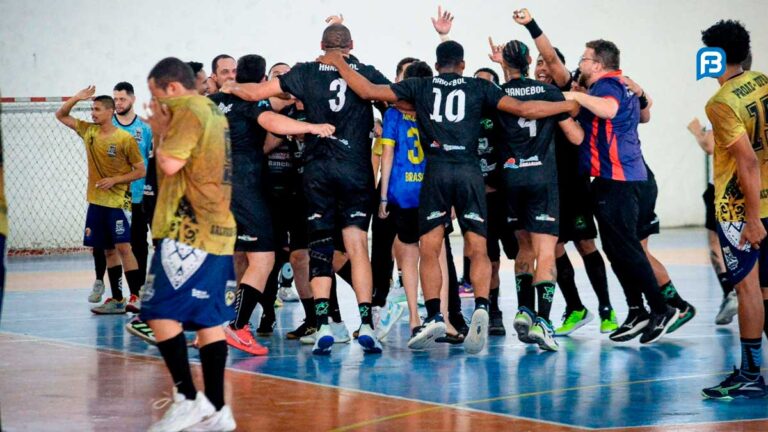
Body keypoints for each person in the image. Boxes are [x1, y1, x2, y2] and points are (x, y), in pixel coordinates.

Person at [316, 37, 579, 354]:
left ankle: (434, 315)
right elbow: (523, 108)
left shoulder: (422, 87)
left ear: (437, 64)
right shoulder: (477, 87)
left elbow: (369, 91)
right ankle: (482, 305)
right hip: (469, 171)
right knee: (477, 245)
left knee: (430, 247)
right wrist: (565, 103)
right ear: (463, 65)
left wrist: (341, 63)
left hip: (437, 173)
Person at [221, 23, 391, 356]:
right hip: (356, 170)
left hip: (318, 171)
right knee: (357, 245)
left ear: (321, 45)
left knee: (321, 247)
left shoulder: (306, 72)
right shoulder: (366, 72)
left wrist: (229, 87)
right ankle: (367, 323)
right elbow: (392, 100)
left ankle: (324, 324)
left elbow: (255, 94)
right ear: (351, 45)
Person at [209, 54, 335, 356]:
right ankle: (236, 327)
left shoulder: (213, 101)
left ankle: (215, 327)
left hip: (217, 187)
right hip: (245, 187)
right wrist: (312, 127)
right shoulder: (252, 104)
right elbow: (270, 119)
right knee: (263, 260)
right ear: (264, 79)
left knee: (240, 255)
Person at [141, 57, 237, 431]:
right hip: (217, 228)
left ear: (173, 88)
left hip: (187, 229)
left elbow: (169, 164)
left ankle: (185, 396)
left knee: (159, 311)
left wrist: (160, 129)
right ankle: (216, 408)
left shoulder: (186, 110)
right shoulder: (213, 110)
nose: (156, 104)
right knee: (207, 320)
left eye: (155, 94)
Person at [565, 39, 680, 344]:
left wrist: (573, 95)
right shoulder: (626, 84)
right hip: (614, 179)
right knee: (616, 250)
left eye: (585, 58)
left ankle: (661, 308)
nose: (582, 63)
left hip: (619, 179)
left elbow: (608, 109)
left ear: (598, 64)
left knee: (628, 248)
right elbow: (645, 115)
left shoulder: (606, 87)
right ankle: (637, 311)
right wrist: (641, 94)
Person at [513, 8, 616, 336]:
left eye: (547, 63)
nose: (543, 68)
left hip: (573, 182)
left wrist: (531, 26)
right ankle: (575, 307)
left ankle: (606, 308)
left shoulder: (563, 89)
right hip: (544, 184)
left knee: (586, 243)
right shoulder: (530, 96)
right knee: (552, 249)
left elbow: (554, 63)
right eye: (539, 64)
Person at [487, 38, 583, 351]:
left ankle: (524, 310)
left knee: (523, 249)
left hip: (510, 180)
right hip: (542, 178)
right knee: (546, 251)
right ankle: (542, 321)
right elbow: (575, 136)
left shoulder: (497, 94)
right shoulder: (549, 92)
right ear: (530, 60)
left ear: (505, 63)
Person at [700, 20, 768, 400]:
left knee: (747, 288)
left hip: (742, 209)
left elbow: (746, 162)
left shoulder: (722, 102)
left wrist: (753, 218)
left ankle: (751, 374)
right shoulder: (762, 81)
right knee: (765, 289)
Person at [55, 87, 146, 315]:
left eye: (96, 109)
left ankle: (137, 295)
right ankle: (116, 298)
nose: (92, 113)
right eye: (91, 109)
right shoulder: (89, 131)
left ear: (110, 111)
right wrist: (76, 97)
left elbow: (140, 170)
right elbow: (61, 115)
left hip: (118, 202)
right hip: (96, 202)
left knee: (124, 247)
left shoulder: (124, 139)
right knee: (107, 250)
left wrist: (116, 179)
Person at [473, 67, 520, 336]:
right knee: (490, 259)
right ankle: (494, 311)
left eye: (485, 84)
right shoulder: (466, 117)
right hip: (482, 202)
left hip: (508, 198)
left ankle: (529, 309)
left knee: (522, 253)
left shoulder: (503, 115)